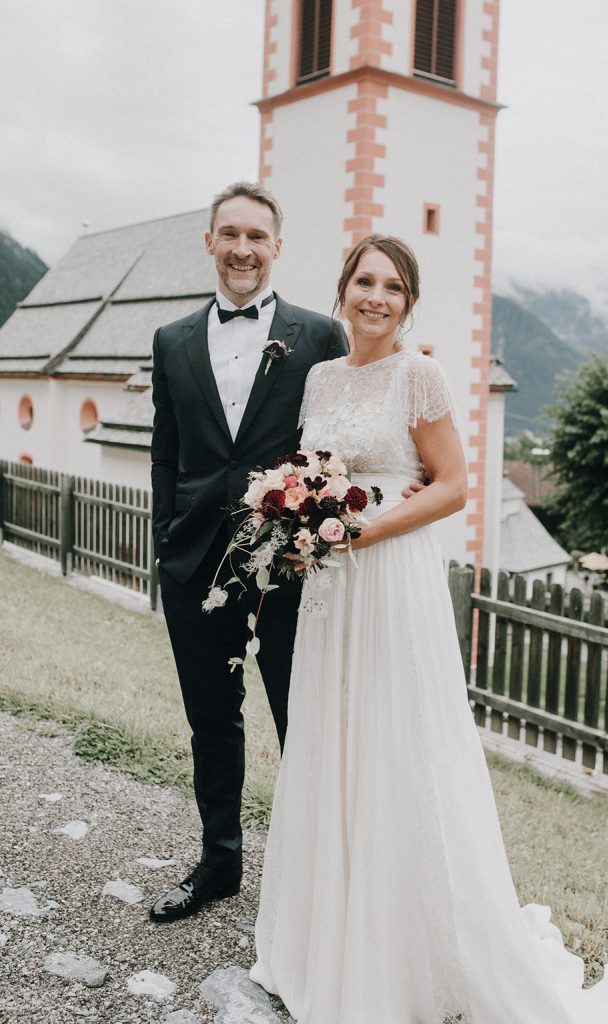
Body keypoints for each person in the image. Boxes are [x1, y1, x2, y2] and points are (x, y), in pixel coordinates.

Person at [249, 236, 608, 1024]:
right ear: (343, 290)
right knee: (330, 735)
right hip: (330, 586)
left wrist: (358, 531)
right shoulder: (319, 375)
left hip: (387, 574)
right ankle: (323, 938)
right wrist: (298, 511)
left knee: (394, 738)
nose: (376, 297)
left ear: (409, 302)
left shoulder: (421, 374)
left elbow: (452, 488)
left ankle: (400, 952)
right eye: (365, 281)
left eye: (394, 286)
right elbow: (314, 465)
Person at [148, 182, 348, 923]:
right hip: (193, 560)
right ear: (209, 241)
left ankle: (310, 881)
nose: (241, 249)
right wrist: (167, 540)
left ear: (276, 247)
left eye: (255, 237)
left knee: (301, 716)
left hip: (288, 566)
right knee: (212, 720)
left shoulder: (318, 335)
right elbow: (165, 452)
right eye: (228, 234)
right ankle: (219, 864)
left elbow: (333, 447)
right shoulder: (171, 339)